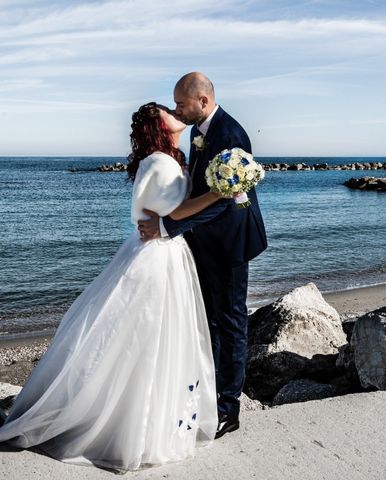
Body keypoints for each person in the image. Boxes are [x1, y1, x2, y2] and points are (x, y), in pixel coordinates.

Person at [0, 103, 222, 471]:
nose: (175, 112)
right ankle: (132, 428)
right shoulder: (159, 163)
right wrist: (220, 192)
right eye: (168, 111)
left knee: (156, 337)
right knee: (148, 338)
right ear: (158, 125)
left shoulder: (166, 159)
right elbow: (177, 213)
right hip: (157, 256)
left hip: (162, 252)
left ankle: (149, 419)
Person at [138, 72, 267, 439]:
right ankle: (205, 396)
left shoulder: (229, 134)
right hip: (204, 243)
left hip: (229, 244)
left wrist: (167, 227)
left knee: (230, 322)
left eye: (181, 103)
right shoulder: (200, 132)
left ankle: (229, 409)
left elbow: (222, 201)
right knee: (208, 322)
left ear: (203, 102)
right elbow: (199, 190)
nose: (177, 108)